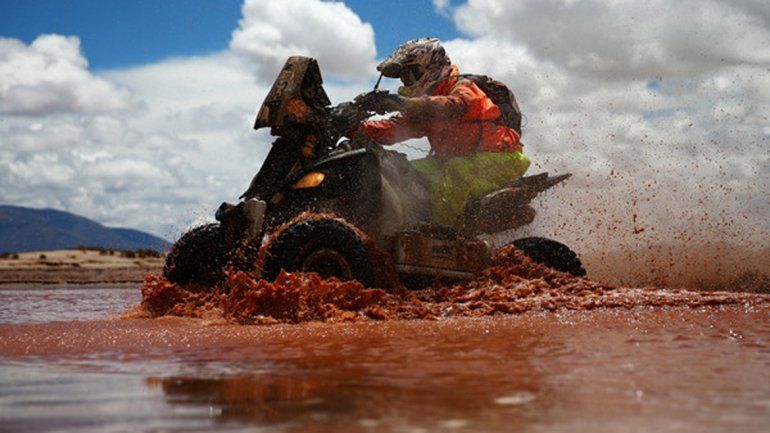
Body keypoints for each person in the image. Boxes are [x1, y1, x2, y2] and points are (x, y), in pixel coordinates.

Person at [359, 38, 530, 228]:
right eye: (404, 77)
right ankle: (404, 223)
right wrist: (356, 127)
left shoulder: (462, 86)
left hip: (503, 159)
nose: (407, 81)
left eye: (411, 73)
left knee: (457, 169)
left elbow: (455, 105)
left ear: (433, 66)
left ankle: (441, 232)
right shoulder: (425, 107)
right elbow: (394, 129)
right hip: (453, 159)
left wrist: (405, 103)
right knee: (402, 170)